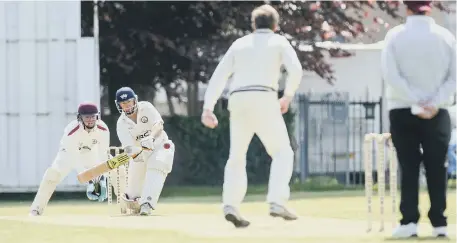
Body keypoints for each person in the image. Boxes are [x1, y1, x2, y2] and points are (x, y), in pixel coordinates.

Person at [201, 4, 303, 228]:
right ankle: (277, 200)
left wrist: (208, 107)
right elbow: (296, 70)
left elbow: (220, 75)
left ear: (254, 25)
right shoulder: (279, 42)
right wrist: (287, 96)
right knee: (282, 151)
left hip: (238, 99)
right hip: (264, 96)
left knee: (236, 156)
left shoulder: (240, 43)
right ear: (275, 26)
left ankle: (230, 204)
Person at [381, 1, 456, 238]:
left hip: (403, 108)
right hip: (438, 110)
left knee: (409, 165)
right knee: (437, 166)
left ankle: (409, 222)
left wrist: (416, 101)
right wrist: (433, 102)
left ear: (407, 8)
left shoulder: (395, 36)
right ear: (429, 8)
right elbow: (454, 77)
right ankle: (439, 224)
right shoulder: (446, 37)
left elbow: (391, 74)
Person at [29, 103, 111, 216]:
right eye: (87, 117)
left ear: (97, 116)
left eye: (93, 116)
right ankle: (36, 209)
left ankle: (128, 206)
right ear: (80, 117)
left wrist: (102, 178)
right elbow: (74, 158)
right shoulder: (72, 130)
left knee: (118, 170)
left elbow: (103, 154)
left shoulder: (103, 129)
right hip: (67, 154)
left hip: (90, 152)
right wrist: (89, 178)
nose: (90, 120)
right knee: (52, 175)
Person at [115, 87, 175, 216]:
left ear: (135, 100)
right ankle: (135, 201)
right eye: (123, 103)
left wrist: (151, 138)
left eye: (129, 102)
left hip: (160, 145)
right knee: (132, 196)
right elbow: (129, 147)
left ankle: (147, 203)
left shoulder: (146, 107)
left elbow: (158, 125)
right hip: (140, 153)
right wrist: (137, 153)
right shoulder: (121, 124)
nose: (126, 106)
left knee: (157, 164)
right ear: (119, 105)